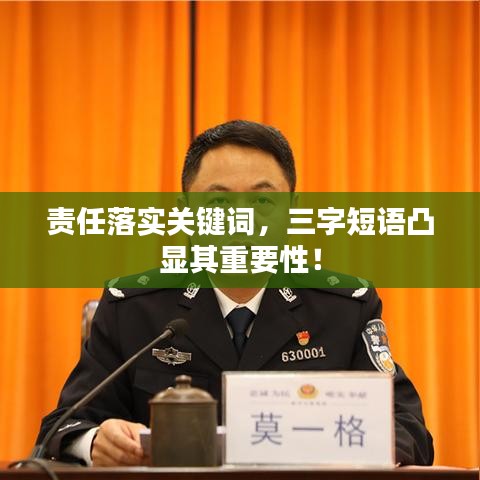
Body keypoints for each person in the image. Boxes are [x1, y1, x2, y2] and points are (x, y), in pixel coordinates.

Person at [37, 120, 434, 467]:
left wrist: (348, 452)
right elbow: (63, 427)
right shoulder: (134, 307)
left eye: (262, 199)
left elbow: (408, 430)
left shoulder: (344, 307)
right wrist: (95, 443)